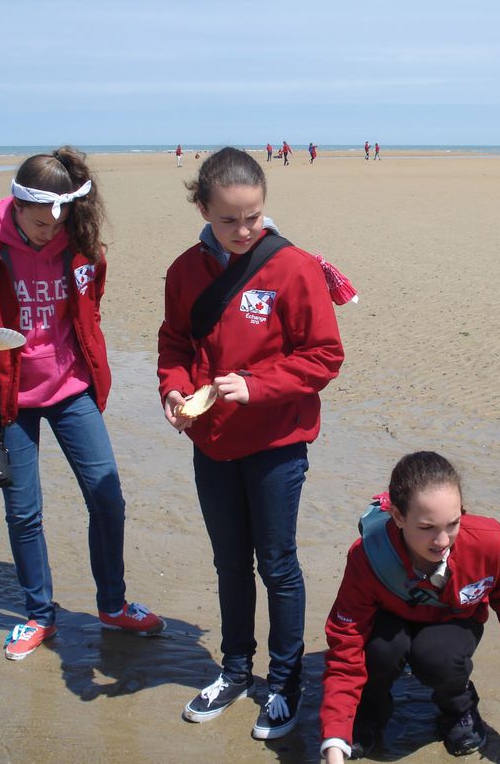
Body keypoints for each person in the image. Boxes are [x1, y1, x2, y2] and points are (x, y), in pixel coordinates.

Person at [0, 147, 165, 661]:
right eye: (40, 222)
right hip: (9, 397)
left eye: (57, 220)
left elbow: (90, 306)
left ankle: (113, 604)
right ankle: (39, 614)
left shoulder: (81, 245)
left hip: (72, 390)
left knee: (107, 499)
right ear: (16, 206)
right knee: (24, 512)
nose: (49, 230)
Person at [158, 147, 345, 740]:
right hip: (211, 443)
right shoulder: (184, 271)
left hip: (276, 442)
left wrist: (256, 386)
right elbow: (175, 344)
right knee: (229, 561)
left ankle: (285, 681)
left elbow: (324, 356)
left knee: (278, 564)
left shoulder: (292, 268)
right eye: (229, 220)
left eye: (254, 217)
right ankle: (236, 669)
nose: (243, 230)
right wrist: (174, 390)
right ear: (203, 210)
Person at [320, 452, 500, 761]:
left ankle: (458, 709)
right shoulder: (367, 557)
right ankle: (369, 711)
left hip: (452, 620)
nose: (442, 540)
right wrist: (334, 734)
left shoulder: (488, 543)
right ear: (398, 517)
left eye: (453, 523)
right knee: (380, 651)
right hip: (389, 619)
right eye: (427, 527)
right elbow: (346, 643)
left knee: (438, 657)